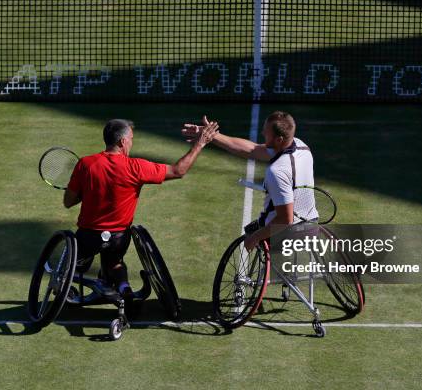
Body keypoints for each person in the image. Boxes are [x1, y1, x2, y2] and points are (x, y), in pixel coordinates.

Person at [64, 118, 219, 311]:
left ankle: (69, 282)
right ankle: (124, 288)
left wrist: (85, 192)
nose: (131, 142)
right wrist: (200, 143)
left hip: (88, 237)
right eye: (131, 139)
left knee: (74, 263)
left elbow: (68, 202)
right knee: (114, 262)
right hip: (119, 238)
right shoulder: (136, 167)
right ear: (122, 142)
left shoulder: (85, 165)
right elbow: (179, 170)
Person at [182, 111, 315, 250]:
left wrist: (255, 237)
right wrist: (211, 135)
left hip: (286, 236)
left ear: (279, 140)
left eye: (267, 132)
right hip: (310, 225)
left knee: (253, 233)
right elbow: (252, 149)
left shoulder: (277, 171)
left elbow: (285, 220)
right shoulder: (301, 147)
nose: (263, 133)